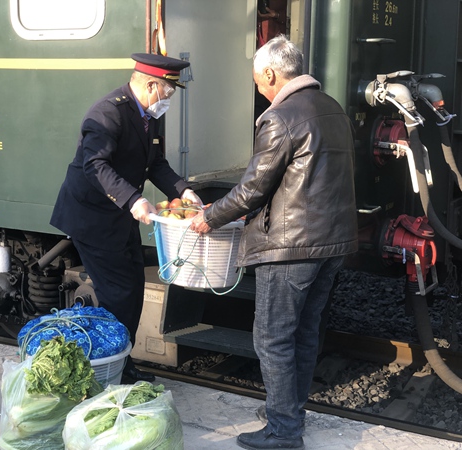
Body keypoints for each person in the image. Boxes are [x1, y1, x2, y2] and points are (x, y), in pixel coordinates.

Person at [190, 35, 357, 449]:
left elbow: (251, 189)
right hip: (332, 244)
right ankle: (290, 412)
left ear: (270, 73)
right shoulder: (332, 109)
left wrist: (208, 218)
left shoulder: (279, 117)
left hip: (291, 248)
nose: (258, 89)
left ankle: (284, 431)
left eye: (257, 80)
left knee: (273, 336)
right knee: (303, 332)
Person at [50, 53, 202, 382]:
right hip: (93, 218)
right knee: (118, 294)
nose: (169, 99)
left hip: (118, 218)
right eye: (168, 92)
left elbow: (154, 163)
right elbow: (95, 165)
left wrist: (182, 190)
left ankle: (120, 362)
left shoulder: (146, 113)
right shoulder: (108, 114)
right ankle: (110, 371)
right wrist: (132, 199)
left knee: (132, 289)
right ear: (151, 85)